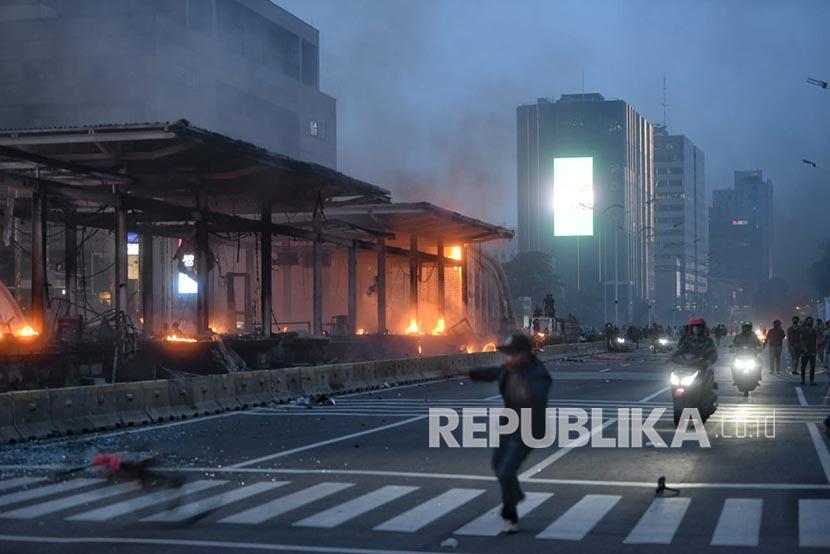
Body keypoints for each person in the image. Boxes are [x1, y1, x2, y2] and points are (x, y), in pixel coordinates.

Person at [469, 333, 551, 534]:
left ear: (526, 354)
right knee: (497, 464)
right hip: (509, 425)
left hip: (529, 429)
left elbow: (537, 396)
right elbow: (493, 373)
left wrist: (525, 391)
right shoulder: (508, 369)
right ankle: (515, 494)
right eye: (506, 354)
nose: (508, 358)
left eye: (512, 354)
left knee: (506, 470)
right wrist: (468, 373)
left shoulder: (539, 374)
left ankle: (510, 516)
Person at [799, 316, 818, 386]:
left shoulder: (814, 330)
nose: (810, 322)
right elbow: (801, 340)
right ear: (806, 322)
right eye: (808, 321)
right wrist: (804, 348)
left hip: (812, 350)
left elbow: (815, 340)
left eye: (811, 321)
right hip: (805, 351)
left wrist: (816, 350)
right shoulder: (803, 330)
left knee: (812, 366)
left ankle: (812, 380)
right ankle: (802, 380)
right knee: (803, 366)